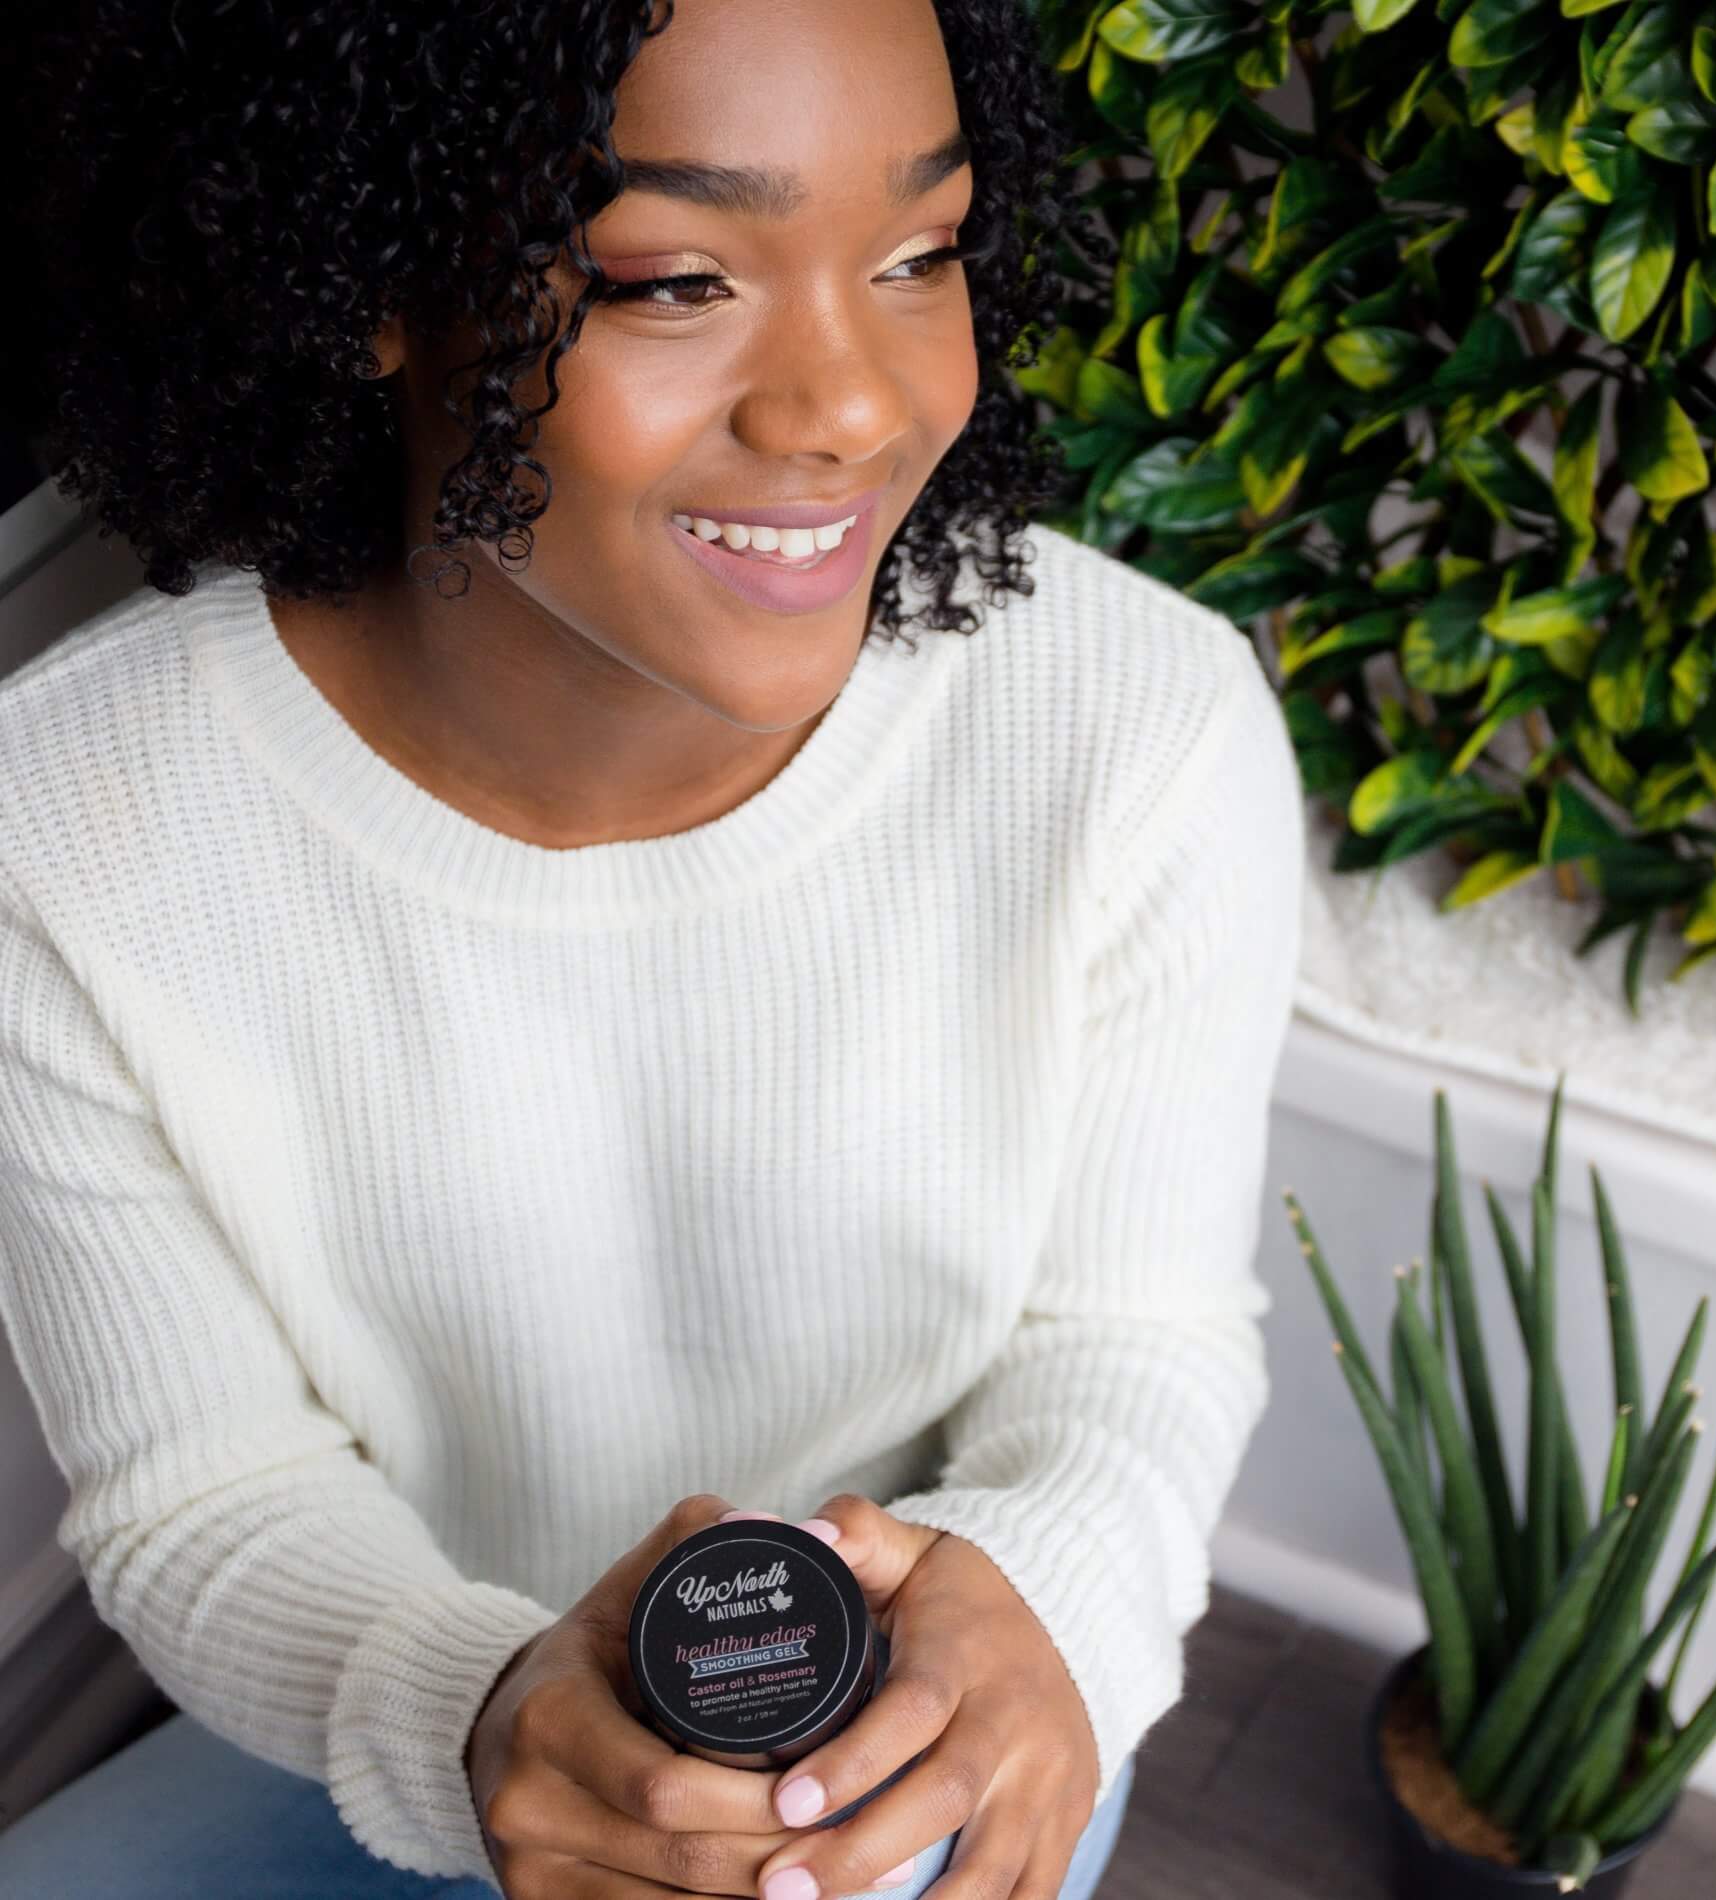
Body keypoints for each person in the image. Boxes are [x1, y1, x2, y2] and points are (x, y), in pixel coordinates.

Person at [0, 1, 1305, 1896]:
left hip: (924, 1720)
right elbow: (206, 1492)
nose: (849, 405)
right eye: (680, 278)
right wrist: (474, 1709)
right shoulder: (63, 825)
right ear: (376, 274)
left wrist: (1044, 1611)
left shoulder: (1135, 731)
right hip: (406, 1693)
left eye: (920, 254)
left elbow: (1133, 1347)